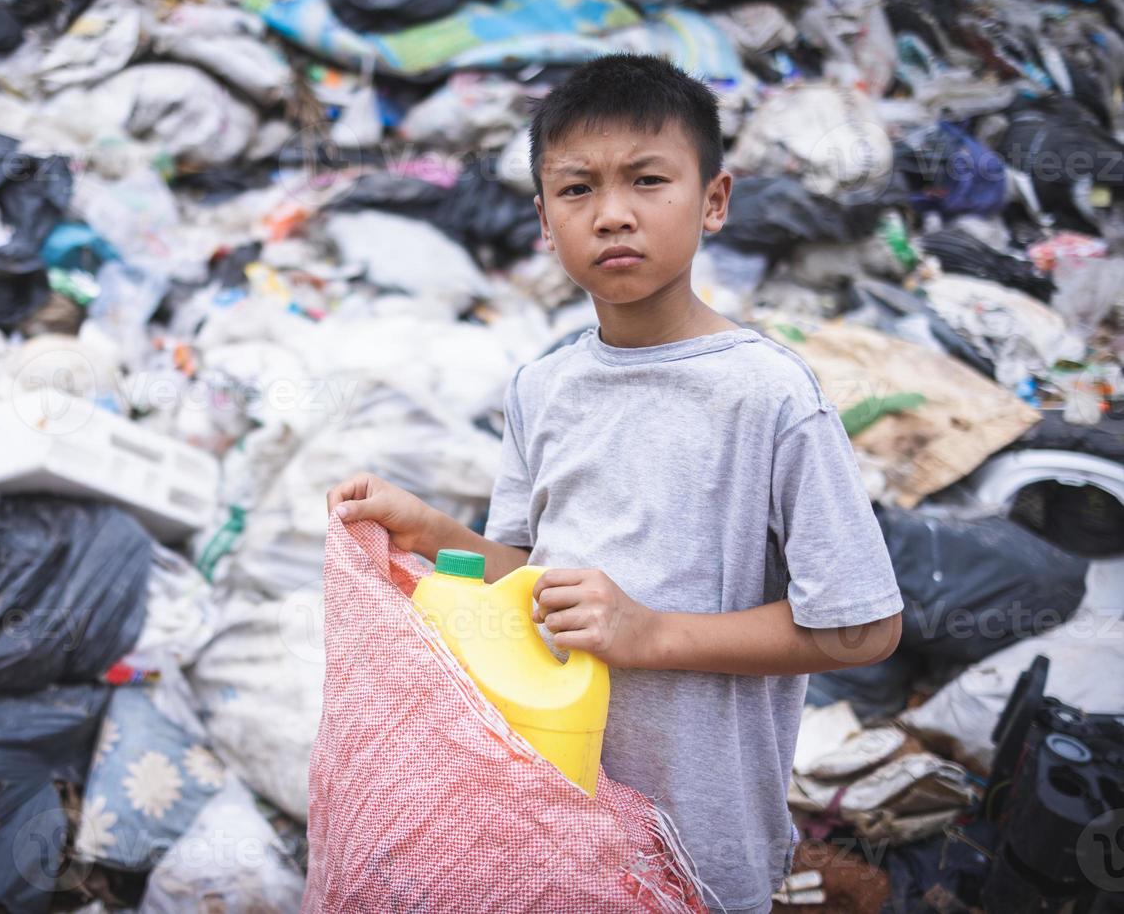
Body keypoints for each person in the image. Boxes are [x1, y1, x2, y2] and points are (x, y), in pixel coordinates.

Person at [325, 54, 903, 914]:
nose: (614, 215)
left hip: (702, 839)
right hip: (552, 817)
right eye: (577, 190)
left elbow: (864, 629)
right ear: (544, 222)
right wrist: (425, 529)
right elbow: (520, 581)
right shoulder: (541, 389)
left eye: (647, 180)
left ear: (714, 200)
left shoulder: (769, 396)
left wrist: (651, 633)